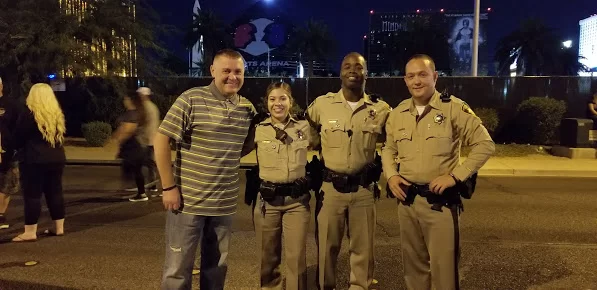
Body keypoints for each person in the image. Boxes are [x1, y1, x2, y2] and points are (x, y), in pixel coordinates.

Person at [381, 54, 495, 290]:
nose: (417, 81)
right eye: (411, 76)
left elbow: (485, 144)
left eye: (422, 75)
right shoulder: (398, 113)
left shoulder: (453, 108)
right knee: (413, 269)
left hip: (439, 205)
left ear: (434, 77)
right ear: (405, 80)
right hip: (408, 202)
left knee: (444, 272)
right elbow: (388, 148)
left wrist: (455, 176)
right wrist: (391, 175)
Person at [155, 49, 256, 290]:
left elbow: (244, 147)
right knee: (178, 269)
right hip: (188, 203)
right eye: (226, 71)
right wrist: (169, 187)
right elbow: (161, 141)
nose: (232, 76)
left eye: (238, 72)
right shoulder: (191, 99)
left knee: (216, 268)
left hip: (224, 204)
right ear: (212, 71)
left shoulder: (247, 109)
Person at [306, 52, 391, 290]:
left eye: (358, 66)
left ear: (366, 73)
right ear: (340, 72)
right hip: (330, 190)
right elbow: (307, 127)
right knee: (326, 249)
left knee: (363, 251)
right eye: (347, 66)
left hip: (364, 190)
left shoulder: (381, 108)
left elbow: (395, 140)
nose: (352, 70)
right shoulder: (323, 104)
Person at [248, 82, 318, 290]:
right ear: (266, 103)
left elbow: (326, 145)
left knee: (296, 258)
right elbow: (235, 150)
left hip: (297, 203)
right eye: (272, 99)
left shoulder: (304, 127)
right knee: (268, 258)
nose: (277, 103)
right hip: (267, 203)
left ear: (291, 102)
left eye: (282, 99)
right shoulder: (258, 129)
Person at [12, 83, 67, 242]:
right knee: (55, 192)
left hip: (34, 159)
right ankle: (59, 228)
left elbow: (18, 136)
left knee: (32, 195)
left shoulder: (28, 114)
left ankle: (30, 232)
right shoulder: (56, 114)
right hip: (56, 158)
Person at [114, 91, 149, 202]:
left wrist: (120, 137)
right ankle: (140, 192)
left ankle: (140, 193)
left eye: (127, 99)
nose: (125, 101)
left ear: (131, 101)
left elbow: (129, 129)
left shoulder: (132, 114)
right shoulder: (135, 112)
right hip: (134, 145)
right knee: (135, 169)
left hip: (133, 146)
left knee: (133, 169)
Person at [124, 87, 160, 194]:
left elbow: (138, 123)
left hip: (144, 139)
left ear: (142, 96)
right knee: (150, 164)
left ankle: (141, 190)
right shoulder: (154, 107)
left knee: (138, 165)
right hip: (152, 139)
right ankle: (152, 186)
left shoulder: (143, 108)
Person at [0, 76, 21, 230]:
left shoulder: (11, 105)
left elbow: (19, 127)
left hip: (8, 152)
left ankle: (1, 214)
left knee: (8, 185)